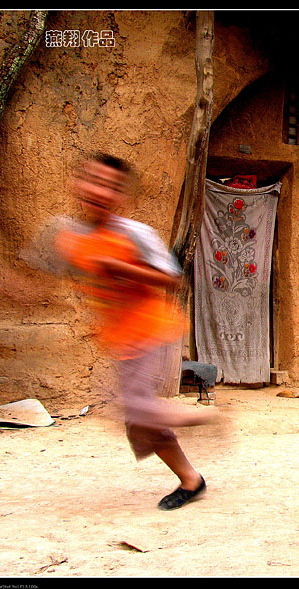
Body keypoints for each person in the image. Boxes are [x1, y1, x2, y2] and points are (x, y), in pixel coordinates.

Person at [52, 152, 211, 511]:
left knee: (138, 409)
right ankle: (192, 480)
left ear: (119, 195)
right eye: (92, 181)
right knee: (138, 425)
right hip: (122, 340)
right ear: (79, 185)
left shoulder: (136, 234)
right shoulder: (76, 237)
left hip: (152, 329)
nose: (98, 191)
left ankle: (205, 417)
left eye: (109, 186)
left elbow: (172, 276)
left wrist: (120, 267)